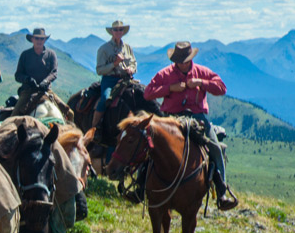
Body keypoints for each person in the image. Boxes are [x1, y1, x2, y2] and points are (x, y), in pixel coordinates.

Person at [141, 41, 238, 210]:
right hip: (171, 118)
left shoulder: (202, 72)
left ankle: (222, 190)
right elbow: (148, 93)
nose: (182, 64)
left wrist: (201, 82)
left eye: (184, 60)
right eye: (179, 61)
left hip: (198, 118)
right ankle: (141, 185)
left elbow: (221, 88)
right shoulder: (165, 74)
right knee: (149, 145)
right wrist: (169, 88)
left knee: (214, 146)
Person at [12, 28, 68, 117]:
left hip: (46, 90)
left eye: (42, 38)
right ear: (32, 39)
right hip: (28, 91)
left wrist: (45, 81)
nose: (39, 41)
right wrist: (28, 79)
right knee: (14, 117)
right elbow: (18, 75)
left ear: (45, 40)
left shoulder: (51, 54)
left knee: (69, 113)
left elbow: (54, 73)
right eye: (37, 38)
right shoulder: (25, 55)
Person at [93, 20, 136, 130]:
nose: (118, 31)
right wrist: (114, 64)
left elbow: (133, 62)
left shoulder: (127, 48)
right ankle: (95, 128)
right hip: (110, 80)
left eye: (120, 29)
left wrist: (131, 69)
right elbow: (99, 70)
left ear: (123, 31)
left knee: (140, 96)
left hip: (126, 79)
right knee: (105, 99)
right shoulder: (104, 49)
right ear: (112, 31)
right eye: (116, 29)